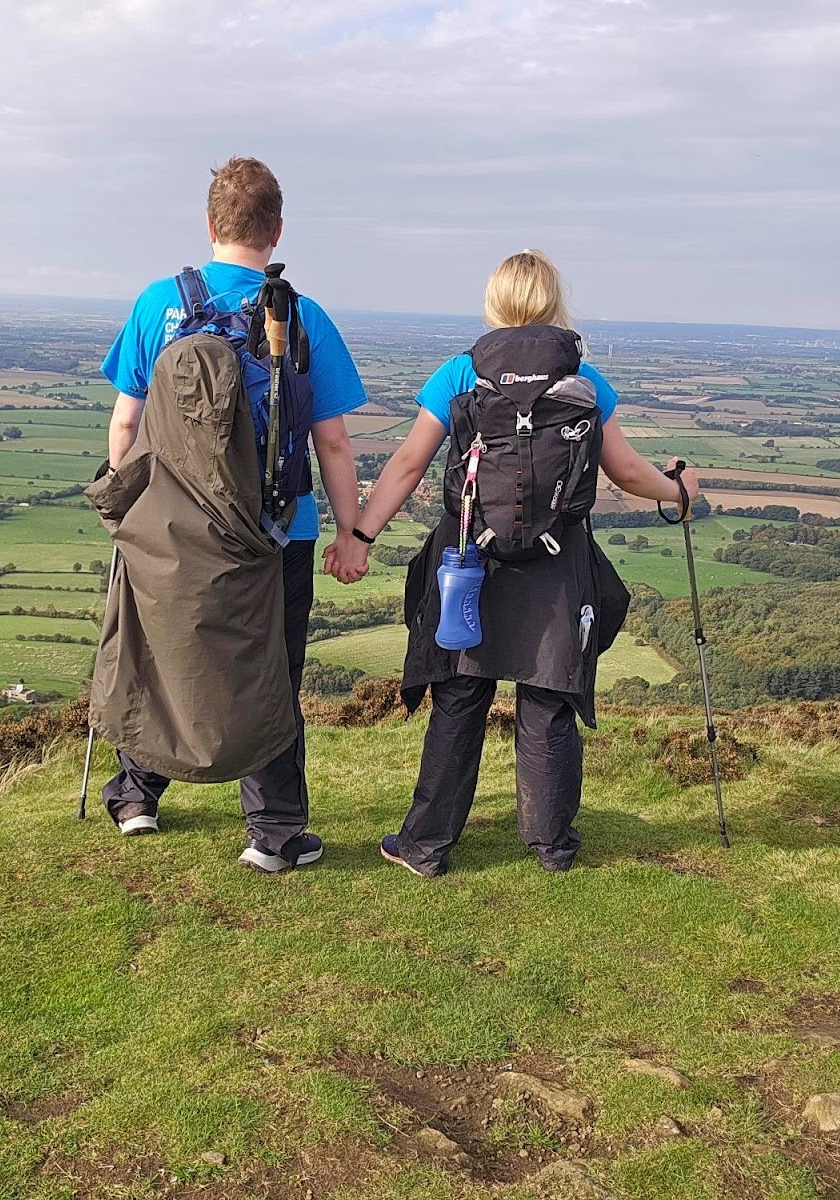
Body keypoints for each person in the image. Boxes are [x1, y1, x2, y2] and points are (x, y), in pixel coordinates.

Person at [326, 249, 701, 877]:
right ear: (556, 304)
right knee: (548, 696)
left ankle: (425, 845)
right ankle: (552, 848)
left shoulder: (458, 375)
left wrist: (359, 534)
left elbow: (408, 465)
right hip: (557, 565)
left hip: (469, 559)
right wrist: (681, 493)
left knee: (460, 697)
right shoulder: (584, 382)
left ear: (494, 303)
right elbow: (629, 472)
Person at [97, 156, 367, 873]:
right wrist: (352, 531)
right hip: (279, 530)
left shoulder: (159, 303)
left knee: (159, 654)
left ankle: (135, 797)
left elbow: (125, 425)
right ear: (277, 230)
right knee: (269, 672)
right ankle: (274, 834)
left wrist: (124, 510)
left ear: (211, 224)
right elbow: (333, 440)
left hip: (170, 530)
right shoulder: (299, 314)